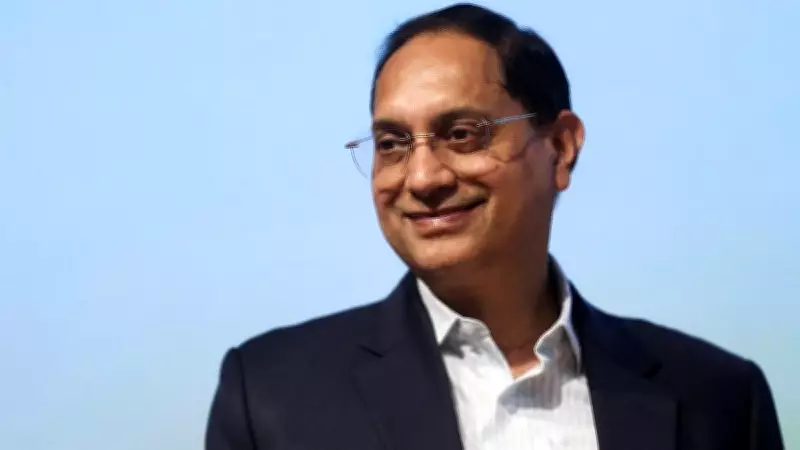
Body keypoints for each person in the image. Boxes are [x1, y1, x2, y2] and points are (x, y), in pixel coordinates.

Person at [205, 3, 784, 449]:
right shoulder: (271, 397)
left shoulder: (719, 397)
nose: (423, 177)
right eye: (393, 143)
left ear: (561, 147)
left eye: (462, 135)